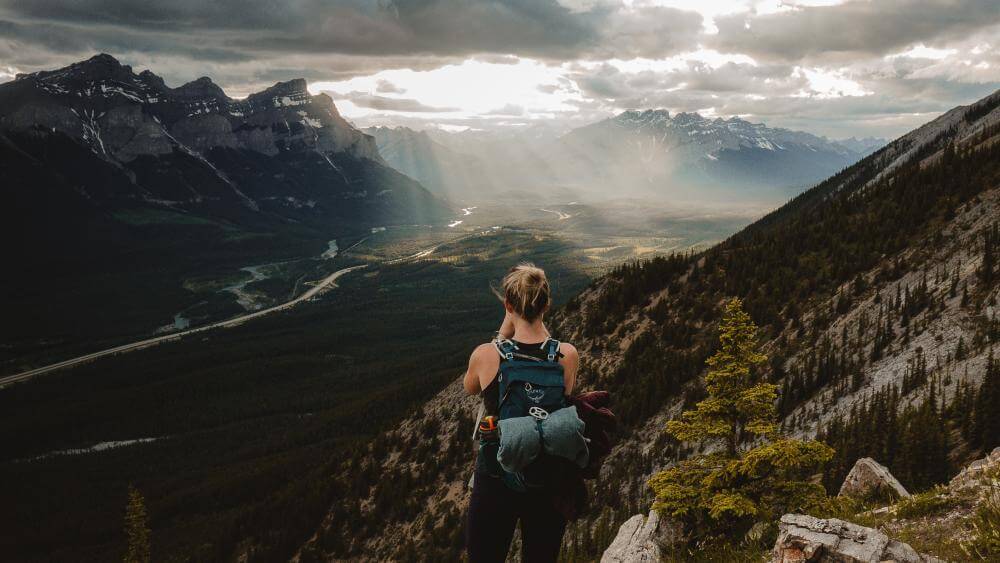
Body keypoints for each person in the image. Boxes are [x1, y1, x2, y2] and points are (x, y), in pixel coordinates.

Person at [463, 263, 580, 563]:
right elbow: (563, 392)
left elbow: (470, 387)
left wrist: (503, 331)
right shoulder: (567, 355)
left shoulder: (486, 355)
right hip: (547, 476)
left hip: (496, 474)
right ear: (547, 305)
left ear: (508, 305)